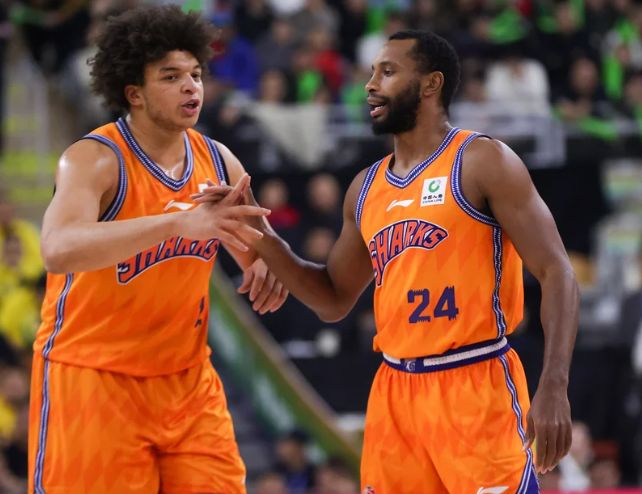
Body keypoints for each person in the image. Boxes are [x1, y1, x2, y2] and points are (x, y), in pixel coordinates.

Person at [199, 29, 579, 493]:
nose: (370, 84)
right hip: (394, 393)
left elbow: (557, 271)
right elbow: (332, 299)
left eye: (388, 72)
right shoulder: (365, 188)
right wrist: (261, 234)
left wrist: (554, 382)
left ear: (431, 84)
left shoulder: (482, 160)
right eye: (372, 72)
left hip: (474, 381)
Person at [29, 6, 288, 494]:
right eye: (171, 77)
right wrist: (177, 223)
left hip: (187, 381)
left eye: (196, 74)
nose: (191, 87)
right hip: (94, 377)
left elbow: (260, 250)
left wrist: (267, 265)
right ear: (135, 93)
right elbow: (58, 248)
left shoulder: (219, 161)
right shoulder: (94, 159)